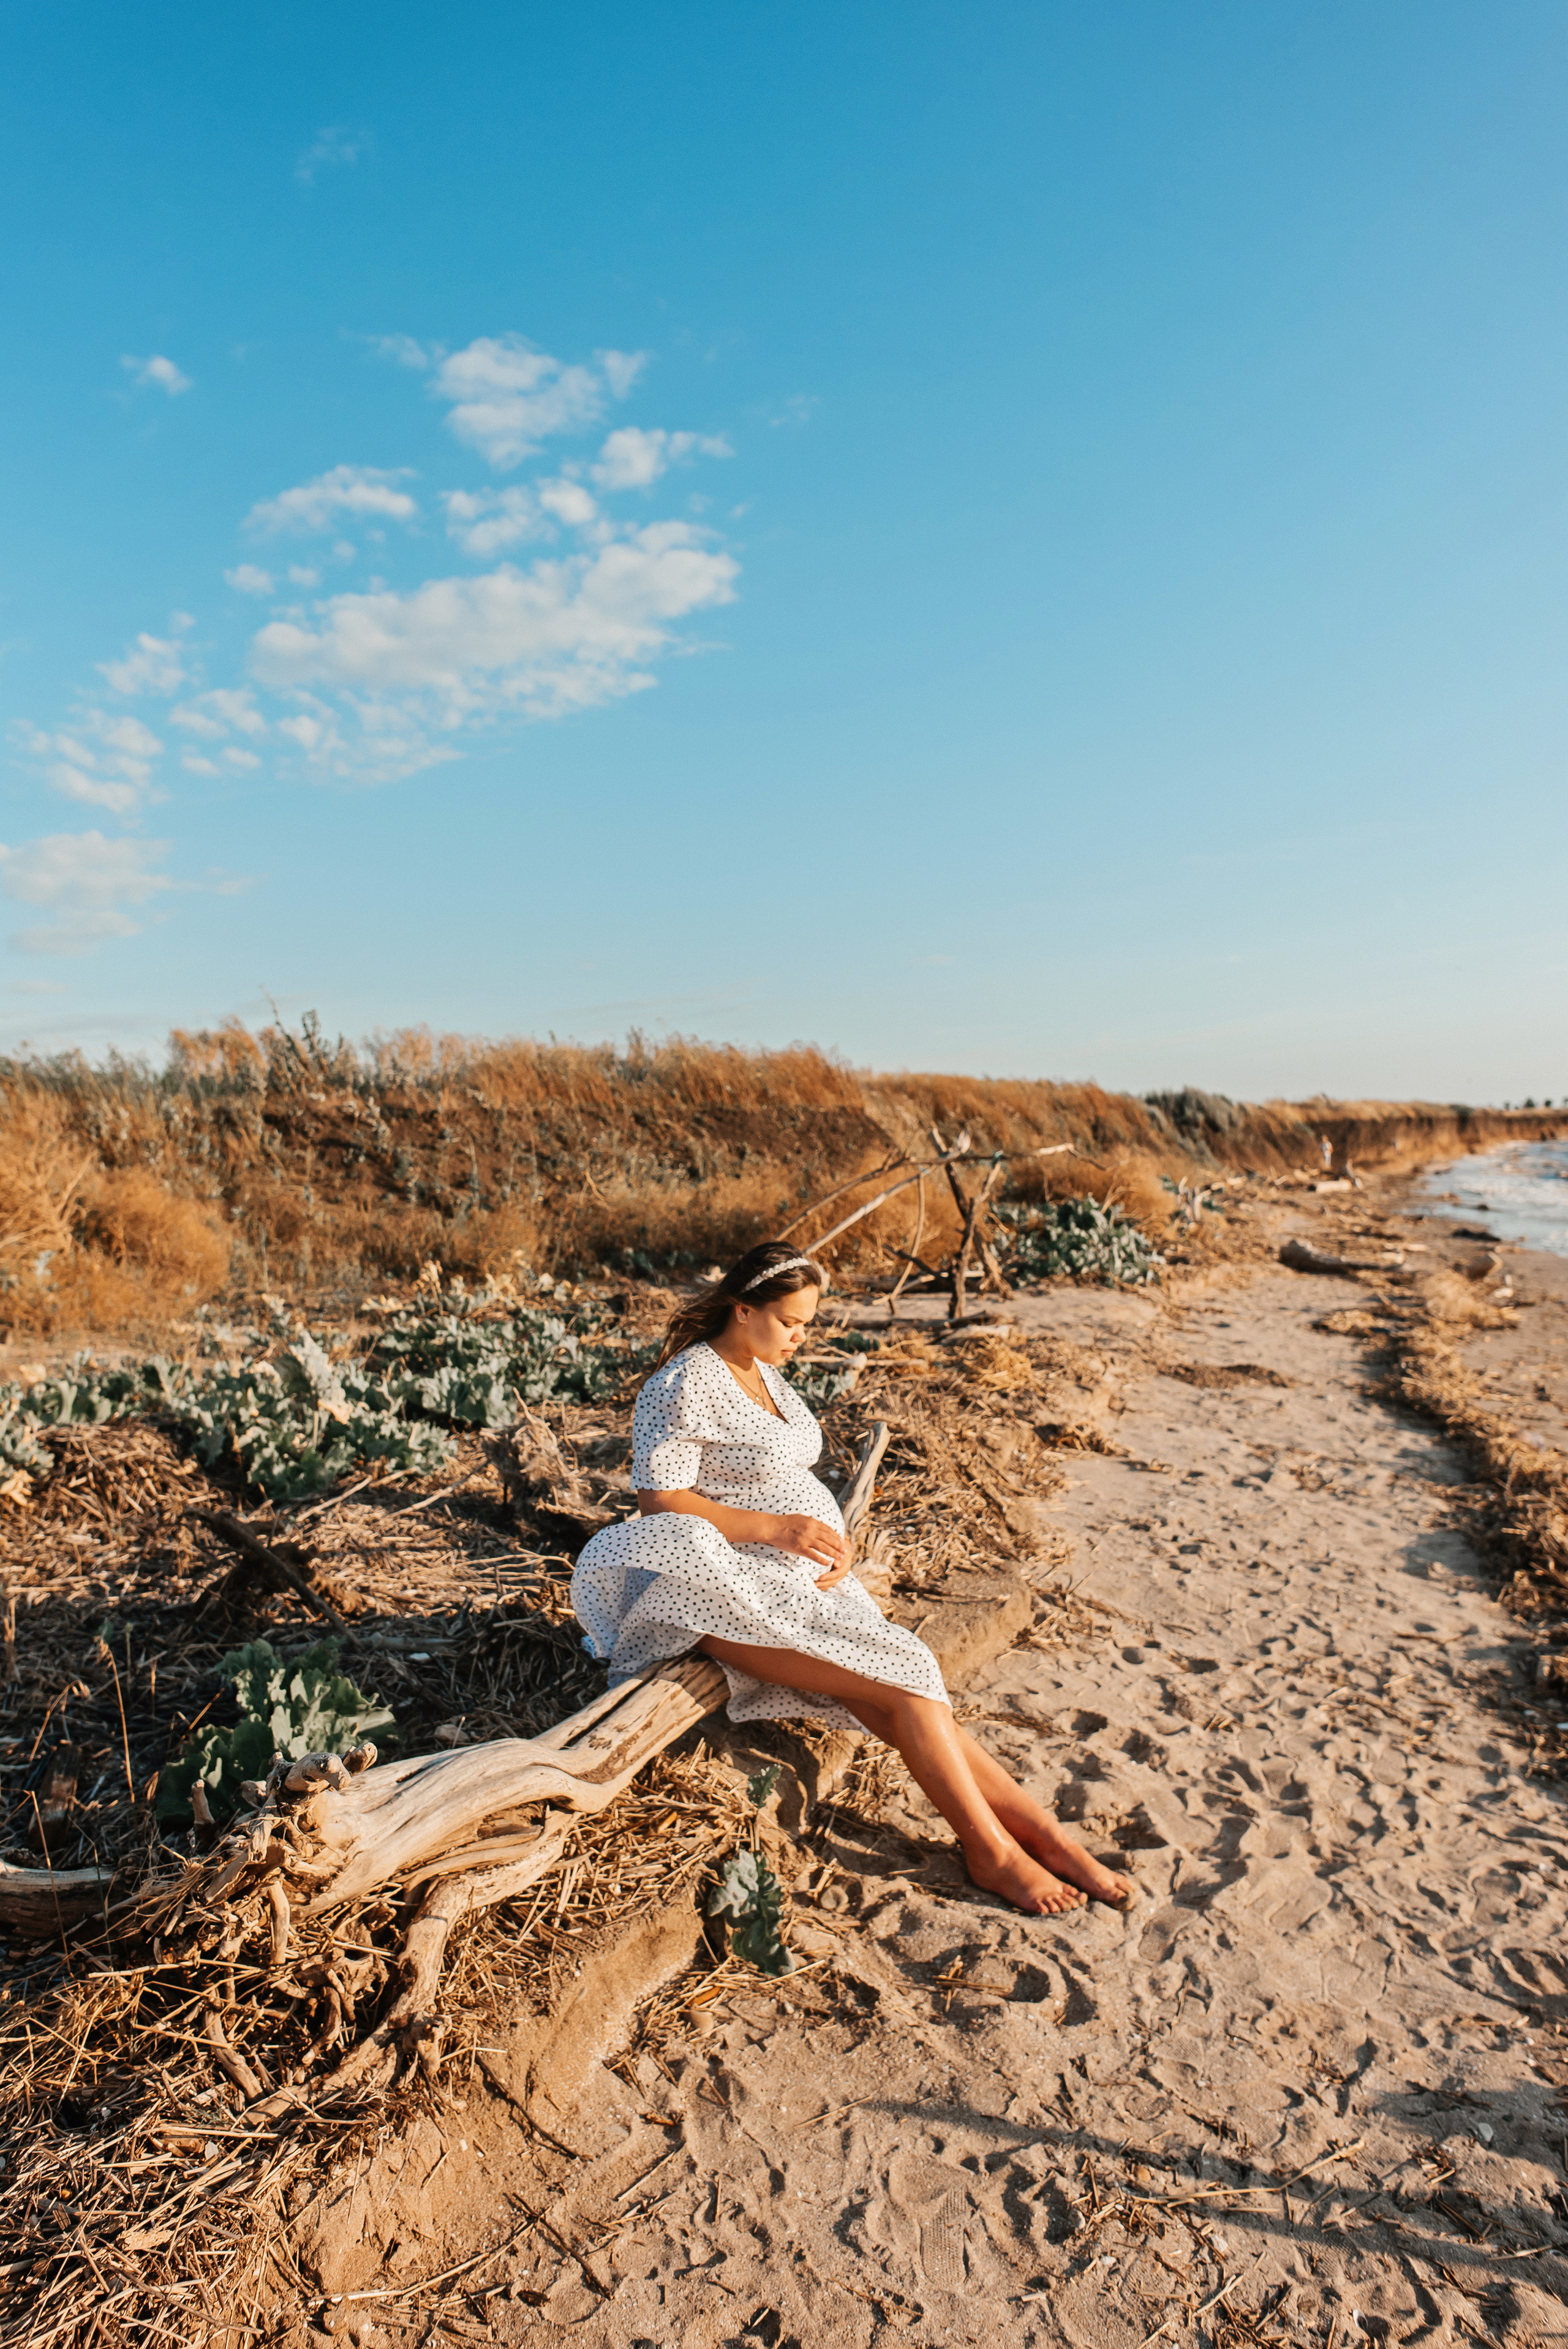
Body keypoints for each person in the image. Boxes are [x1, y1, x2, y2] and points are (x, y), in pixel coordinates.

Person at [572, 1239, 1128, 1916]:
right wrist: (779, 1529)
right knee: (908, 1682)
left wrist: (825, 1538)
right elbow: (660, 1503)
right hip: (712, 1597)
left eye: (808, 1323)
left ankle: (1041, 1835)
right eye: (790, 1322)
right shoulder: (683, 1383)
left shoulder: (762, 1370)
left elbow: (783, 1478)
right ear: (742, 1309)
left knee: (903, 1692)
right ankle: (991, 1851)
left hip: (792, 1583)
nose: (801, 1338)